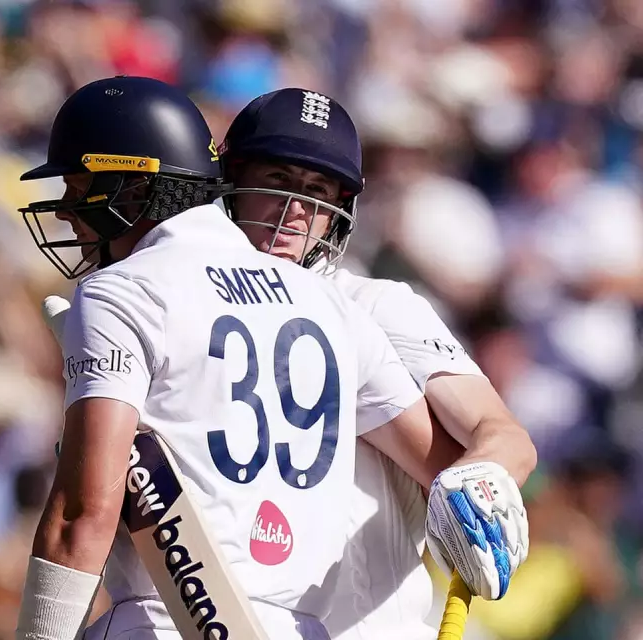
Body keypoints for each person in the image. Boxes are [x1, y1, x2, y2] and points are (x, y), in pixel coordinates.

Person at [13, 76, 453, 640]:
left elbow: (81, 515)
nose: (71, 213)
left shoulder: (119, 292)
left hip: (162, 622)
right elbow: (444, 466)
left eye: (80, 188)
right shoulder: (329, 300)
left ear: (130, 185)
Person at [218, 88, 538, 639]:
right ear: (232, 184)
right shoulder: (190, 304)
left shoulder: (374, 305)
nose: (297, 210)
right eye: (277, 183)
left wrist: (472, 480)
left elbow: (504, 436)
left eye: (317, 191)